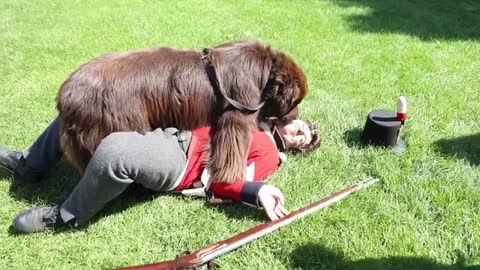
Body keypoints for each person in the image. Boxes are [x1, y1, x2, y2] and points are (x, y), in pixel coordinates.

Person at [0, 116, 320, 234]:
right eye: (301, 126)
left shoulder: (268, 153)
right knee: (83, 110)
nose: (299, 132)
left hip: (180, 157)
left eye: (303, 138)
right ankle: (30, 166)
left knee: (116, 153)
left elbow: (225, 183)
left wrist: (256, 191)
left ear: (295, 147)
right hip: (167, 124)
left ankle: (67, 216)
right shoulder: (254, 116)